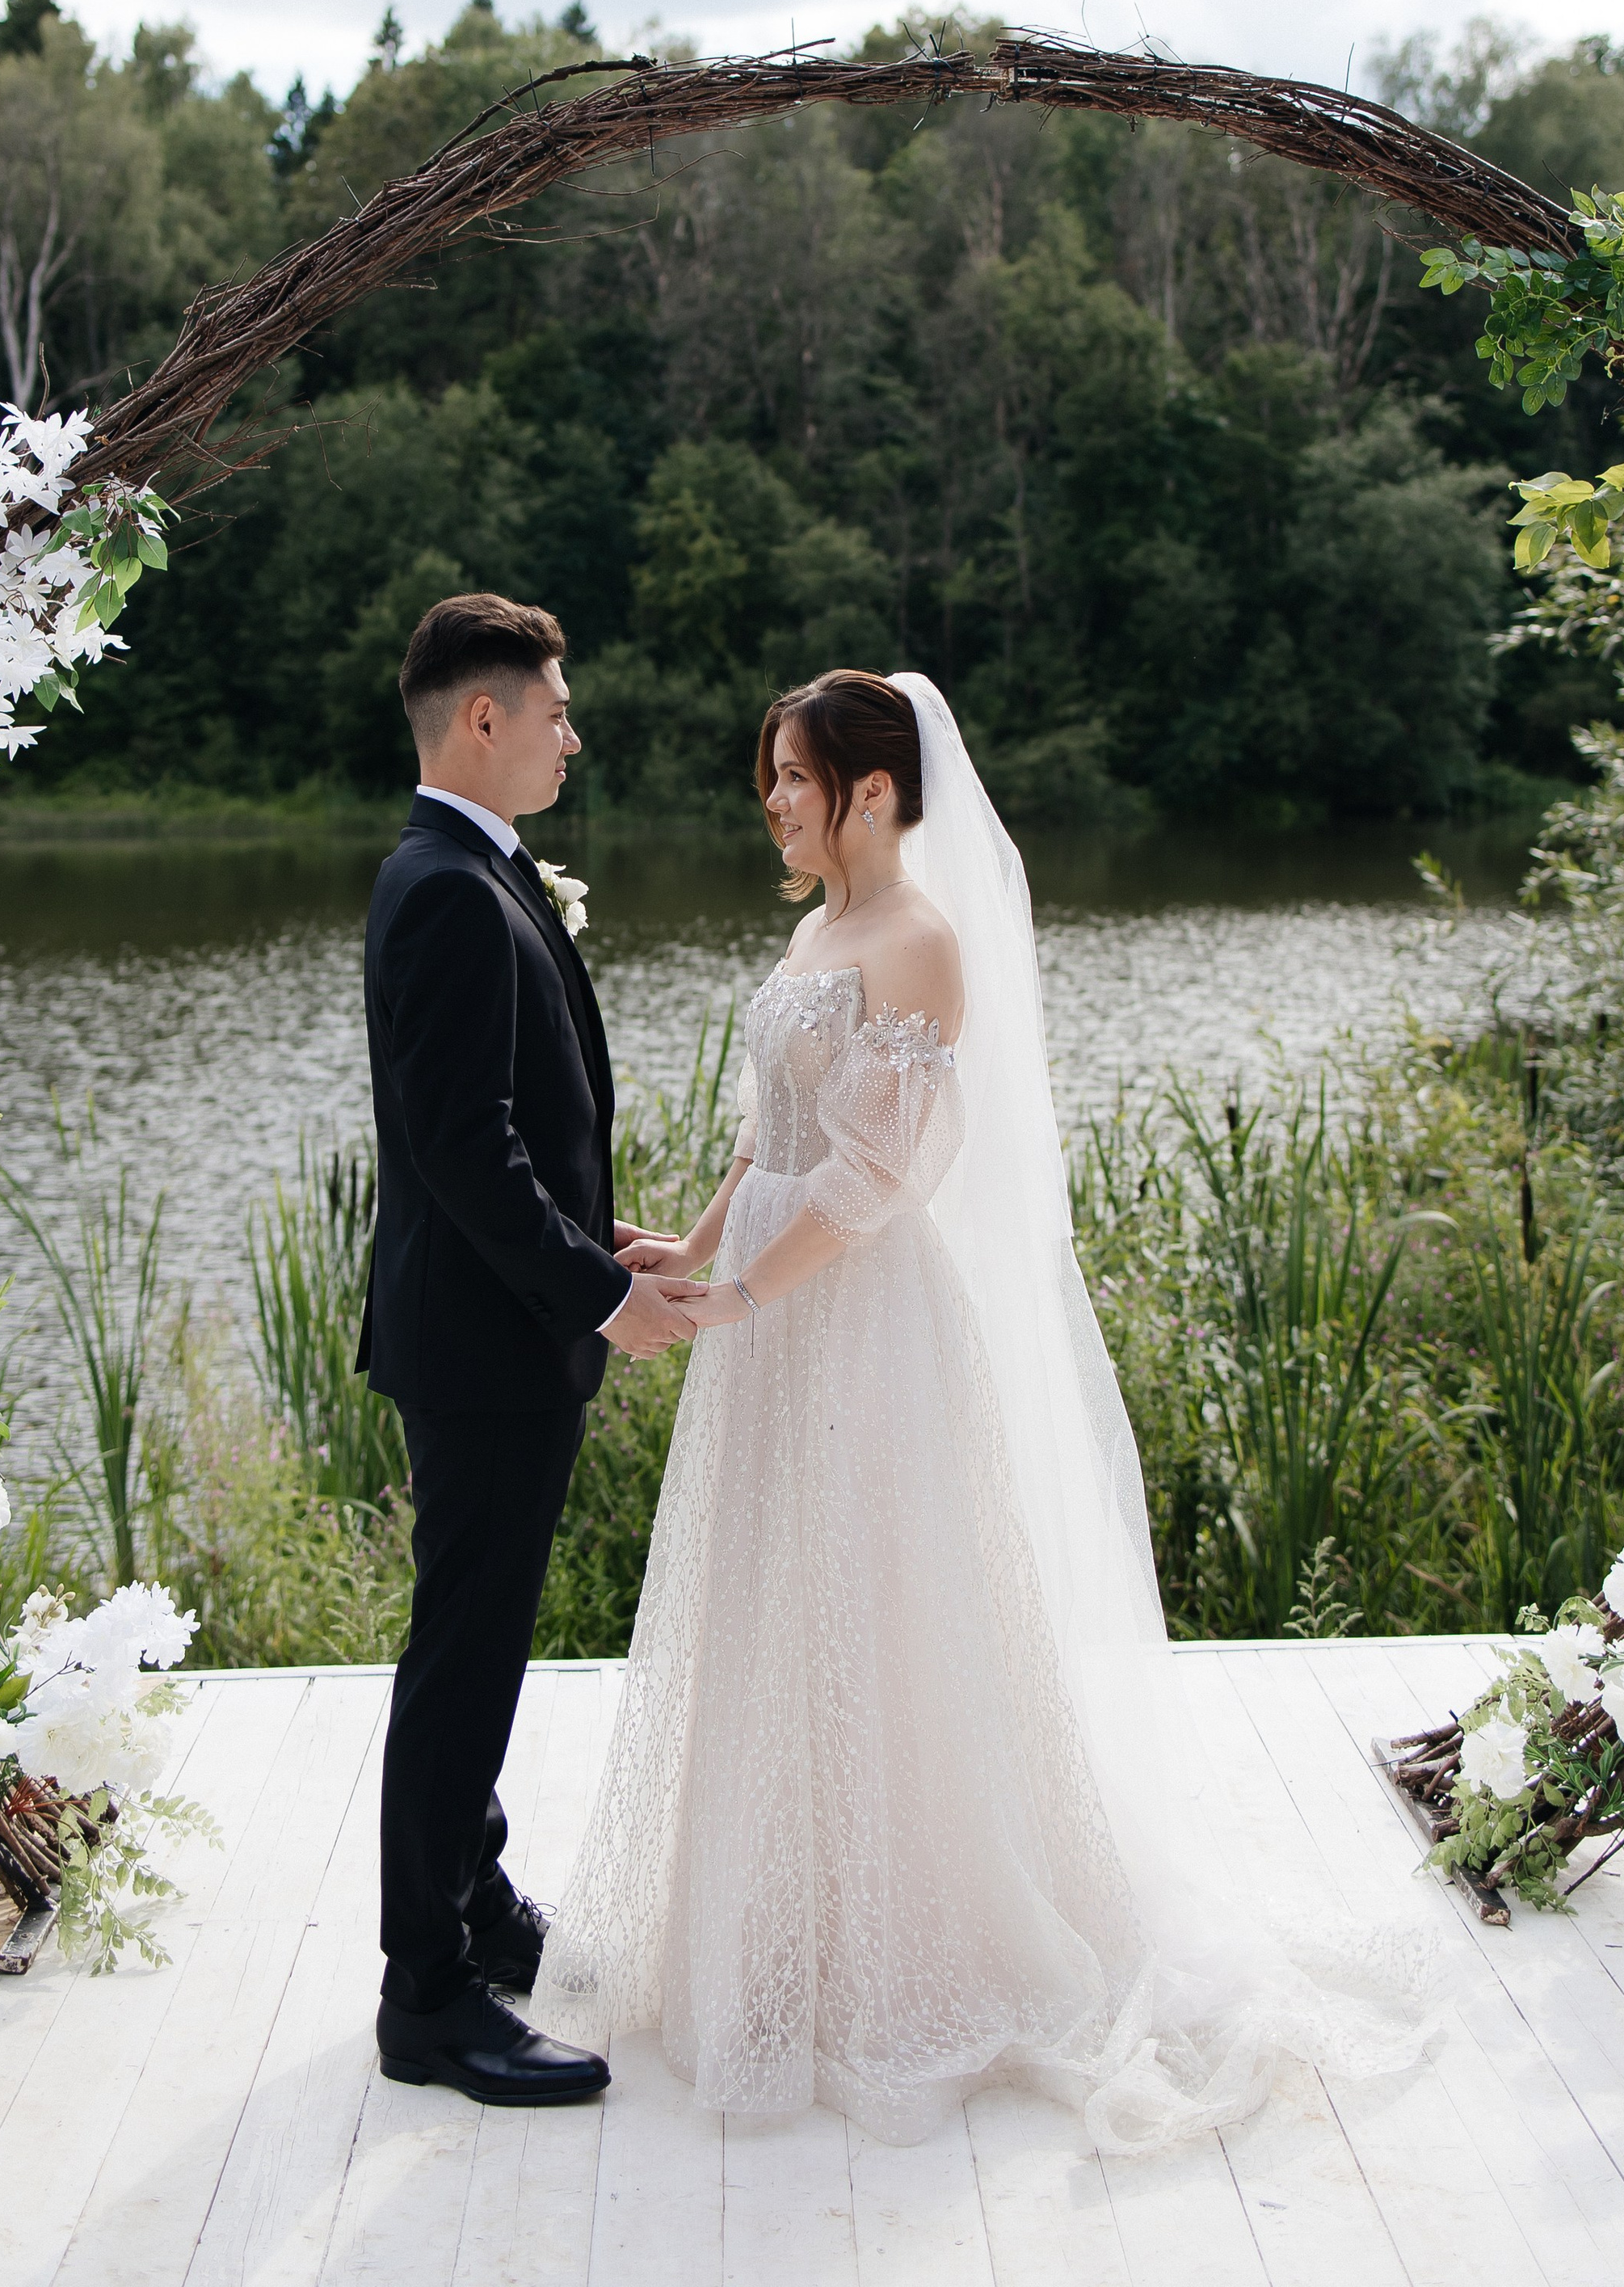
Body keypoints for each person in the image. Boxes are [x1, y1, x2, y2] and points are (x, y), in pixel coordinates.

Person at [532, 668, 1430, 2151]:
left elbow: (881, 1180)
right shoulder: (821, 925)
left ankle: (918, 1941)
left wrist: (747, 1299)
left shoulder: (920, 943)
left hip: (861, 1323)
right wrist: (693, 1249)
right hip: (767, 1310)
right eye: (772, 776)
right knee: (770, 1600)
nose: (773, 800)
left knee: (877, 1606)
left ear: (874, 791)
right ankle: (776, 1921)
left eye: (794, 778)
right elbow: (773, 1134)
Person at [360, 593, 686, 2108]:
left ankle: (477, 1910)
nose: (572, 731)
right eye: (554, 709)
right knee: (463, 1658)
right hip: (486, 1347)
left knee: (479, 1644)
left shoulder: (476, 870)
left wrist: (591, 1242)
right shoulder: (441, 885)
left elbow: (512, 1130)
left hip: (505, 1328)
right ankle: (425, 1996)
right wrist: (594, 1297)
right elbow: (462, 1150)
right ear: (479, 720)